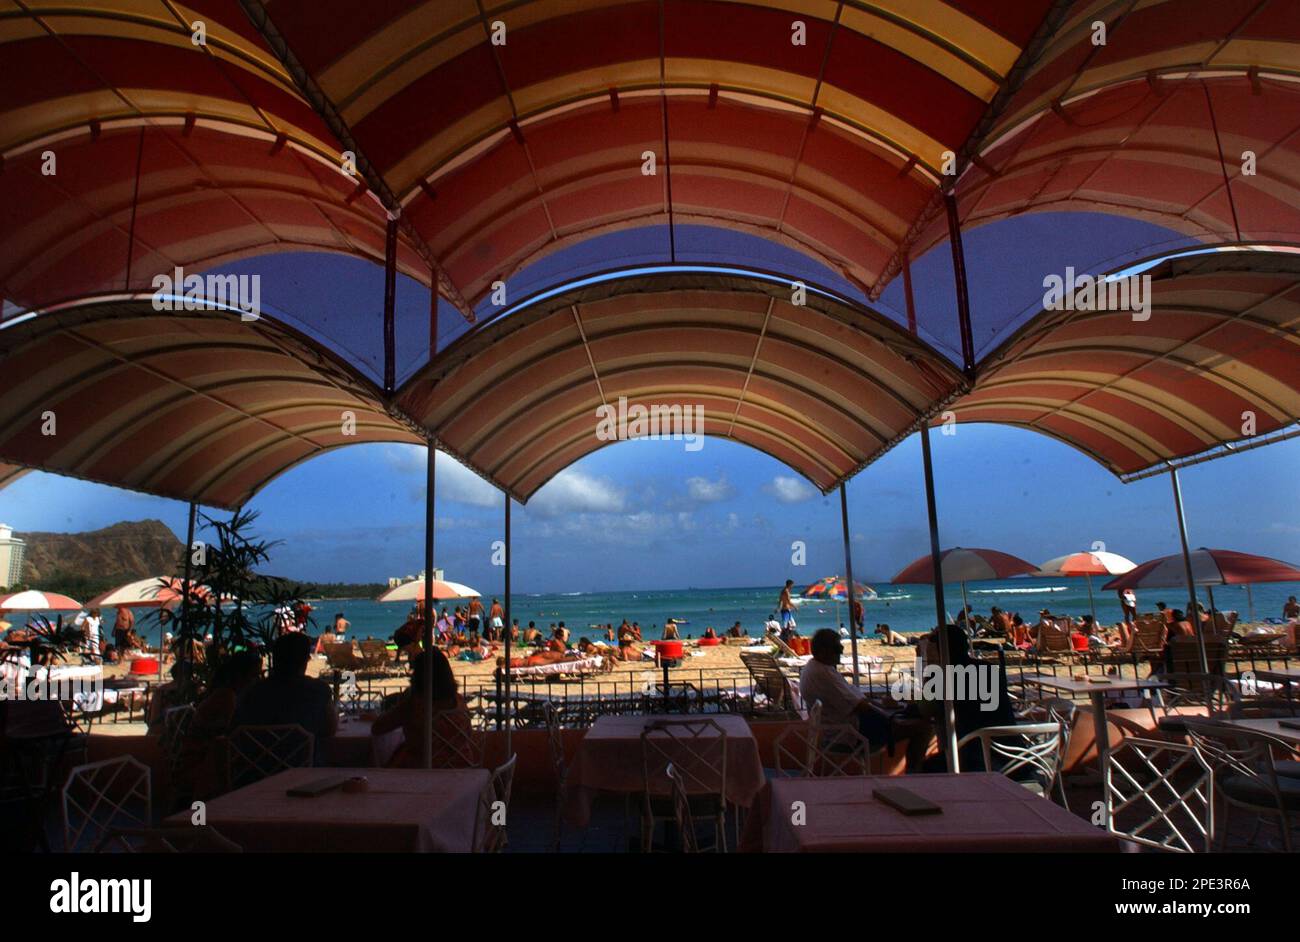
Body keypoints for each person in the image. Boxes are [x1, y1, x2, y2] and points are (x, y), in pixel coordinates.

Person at [798, 629, 931, 771]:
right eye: (837, 648)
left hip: (835, 731)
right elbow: (859, 706)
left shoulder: (813, 668)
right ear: (823, 651)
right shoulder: (824, 674)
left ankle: (914, 773)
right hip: (851, 733)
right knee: (923, 727)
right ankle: (915, 774)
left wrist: (878, 703)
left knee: (907, 719)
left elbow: (856, 699)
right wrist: (888, 708)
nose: (841, 652)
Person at [232, 632, 337, 748]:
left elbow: (236, 727)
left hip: (257, 762)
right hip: (304, 762)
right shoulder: (319, 690)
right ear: (305, 660)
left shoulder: (253, 691)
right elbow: (330, 730)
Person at [373, 649, 467, 768]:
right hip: (462, 764)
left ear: (419, 677)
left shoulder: (415, 705)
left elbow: (378, 728)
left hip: (423, 768)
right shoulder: (459, 701)